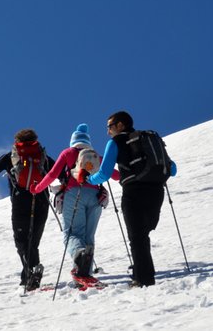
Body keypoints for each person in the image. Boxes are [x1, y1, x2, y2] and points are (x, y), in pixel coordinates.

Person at [86, 111, 177, 287]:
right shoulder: (149, 139)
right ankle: (142, 273)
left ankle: (143, 280)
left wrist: (88, 179)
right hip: (157, 192)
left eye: (110, 127)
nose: (108, 132)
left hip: (133, 193)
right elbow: (172, 169)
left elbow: (104, 173)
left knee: (137, 237)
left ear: (120, 125)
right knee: (143, 234)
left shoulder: (115, 142)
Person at [0, 128, 54, 290]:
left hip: (20, 203)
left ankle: (32, 272)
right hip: (41, 201)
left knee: (21, 242)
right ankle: (29, 274)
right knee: (32, 243)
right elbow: (61, 173)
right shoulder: (43, 157)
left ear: (16, 142)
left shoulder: (10, 157)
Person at [31, 123, 118, 279]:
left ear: (73, 140)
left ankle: (78, 257)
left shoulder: (68, 153)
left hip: (74, 195)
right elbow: (114, 174)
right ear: (87, 141)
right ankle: (85, 273)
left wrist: (37, 189)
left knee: (72, 234)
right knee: (88, 237)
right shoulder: (96, 156)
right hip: (96, 197)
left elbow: (52, 174)